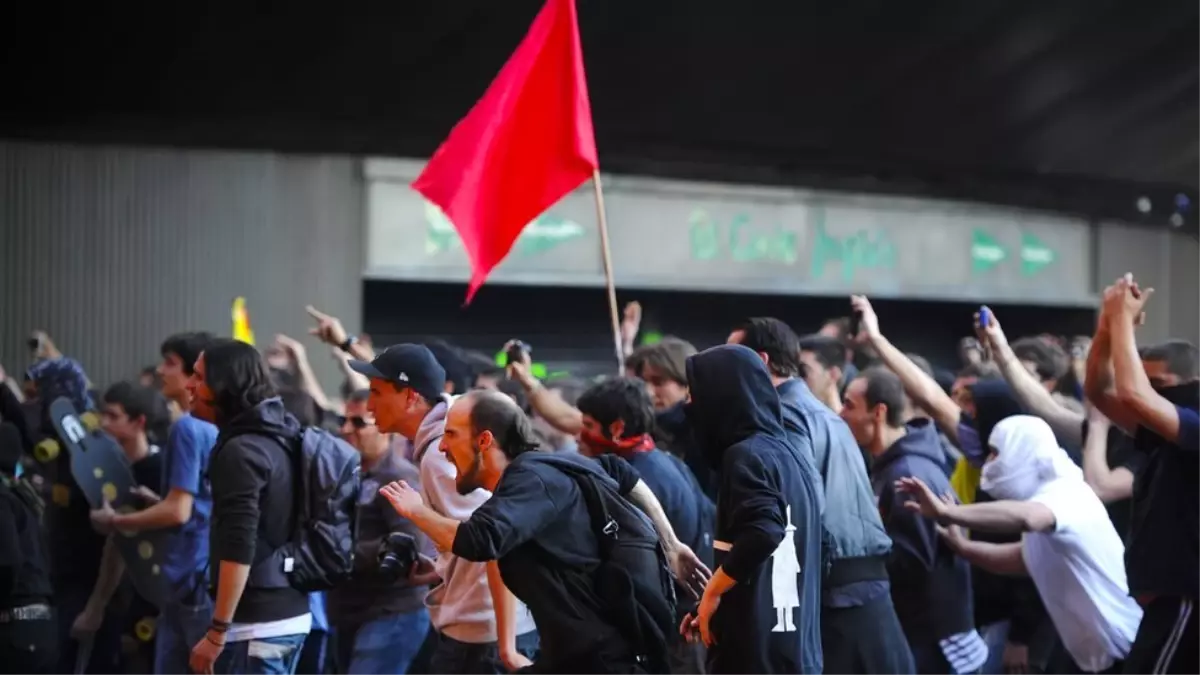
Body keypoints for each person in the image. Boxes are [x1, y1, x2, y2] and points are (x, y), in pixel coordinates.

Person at [380, 389, 708, 674]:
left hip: (602, 661)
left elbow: (480, 540)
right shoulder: (540, 473)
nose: (441, 448)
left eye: (450, 435)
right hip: (572, 657)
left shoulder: (531, 480)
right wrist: (671, 544)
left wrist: (415, 510)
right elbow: (619, 470)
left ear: (484, 441)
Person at [729, 318, 913, 675]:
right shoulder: (825, 415)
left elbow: (800, 507)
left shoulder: (785, 416)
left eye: (731, 357)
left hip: (838, 600)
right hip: (865, 594)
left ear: (760, 361)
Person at [898, 415, 1142, 675]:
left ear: (1023, 451)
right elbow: (1022, 559)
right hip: (1097, 656)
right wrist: (964, 548)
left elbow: (1029, 517)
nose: (989, 464)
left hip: (1126, 650)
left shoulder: (1066, 493)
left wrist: (949, 513)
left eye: (996, 453)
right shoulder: (1046, 499)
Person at [349, 344, 538, 673]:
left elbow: (490, 539)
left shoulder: (440, 452)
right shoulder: (446, 431)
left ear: (410, 397)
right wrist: (442, 566)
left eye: (377, 393)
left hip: (483, 632)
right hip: (488, 627)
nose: (368, 406)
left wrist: (416, 512)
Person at [681, 344, 824, 675]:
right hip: (795, 653)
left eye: (694, 395)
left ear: (722, 398)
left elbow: (764, 531)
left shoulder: (745, 456)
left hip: (754, 657)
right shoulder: (790, 455)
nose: (688, 406)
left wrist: (714, 592)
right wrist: (710, 605)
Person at [1085, 274, 1200, 674]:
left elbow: (1134, 394)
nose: (1153, 393)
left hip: (1187, 599)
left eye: (1162, 385)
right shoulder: (1165, 428)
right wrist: (1105, 328)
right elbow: (1101, 392)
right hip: (1166, 599)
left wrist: (1121, 322)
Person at [841, 366, 985, 675]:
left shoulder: (908, 473)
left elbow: (913, 562)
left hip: (933, 646)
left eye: (849, 405)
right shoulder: (890, 467)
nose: (841, 414)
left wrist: (851, 560)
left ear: (878, 412)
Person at [185, 339, 311, 675]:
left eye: (199, 377)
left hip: (256, 628)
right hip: (288, 616)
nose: (189, 385)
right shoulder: (280, 433)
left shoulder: (241, 451)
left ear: (224, 385)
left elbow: (239, 543)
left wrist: (217, 632)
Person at [575, 377, 714, 675]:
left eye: (587, 426)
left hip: (672, 633)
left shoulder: (636, 482)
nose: (578, 437)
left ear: (617, 429)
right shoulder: (668, 462)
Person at [327, 389, 437, 674]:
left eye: (358, 422)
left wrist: (343, 550)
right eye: (344, 420)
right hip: (349, 608)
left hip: (390, 611)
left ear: (382, 429)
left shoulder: (399, 476)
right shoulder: (346, 474)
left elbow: (410, 543)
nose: (346, 429)